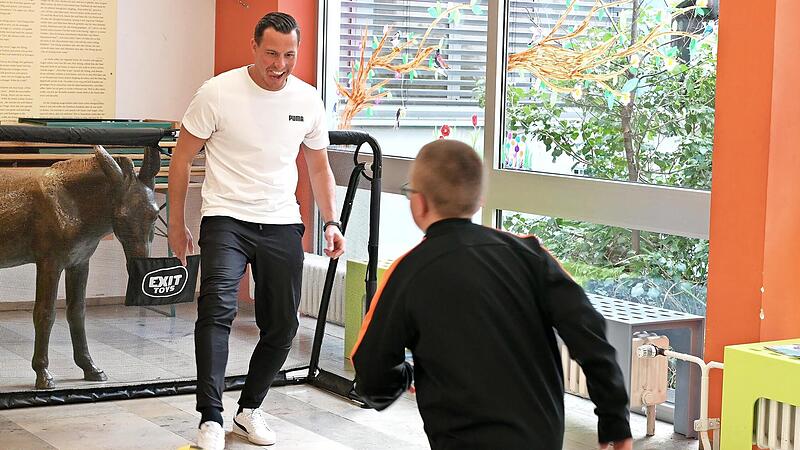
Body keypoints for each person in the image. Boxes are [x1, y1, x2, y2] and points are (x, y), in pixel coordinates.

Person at [350, 139, 633, 450]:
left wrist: (405, 376)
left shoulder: (408, 272)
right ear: (479, 200)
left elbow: (370, 369)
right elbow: (588, 330)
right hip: (540, 438)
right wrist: (614, 420)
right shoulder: (531, 254)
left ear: (419, 203)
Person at [167, 12, 344, 450]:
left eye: (288, 54)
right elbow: (181, 158)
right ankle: (210, 417)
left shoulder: (307, 99)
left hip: (282, 219)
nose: (279, 64)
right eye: (270, 53)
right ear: (254, 46)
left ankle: (247, 411)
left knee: (283, 324)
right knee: (216, 310)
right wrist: (176, 224)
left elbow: (319, 167)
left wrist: (331, 220)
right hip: (226, 216)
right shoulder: (218, 93)